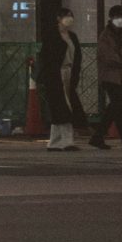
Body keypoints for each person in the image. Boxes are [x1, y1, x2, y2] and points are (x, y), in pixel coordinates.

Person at [37, 9, 85, 151]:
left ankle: (55, 142)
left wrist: (75, 74)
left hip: (69, 73)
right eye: (66, 16)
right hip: (55, 75)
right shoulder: (52, 36)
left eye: (71, 16)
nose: (69, 19)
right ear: (59, 18)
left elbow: (78, 57)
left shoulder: (73, 37)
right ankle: (66, 141)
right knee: (63, 107)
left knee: (62, 107)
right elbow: (47, 57)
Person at [91, 7, 122, 150]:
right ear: (110, 18)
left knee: (115, 108)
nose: (120, 20)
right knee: (117, 106)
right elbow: (110, 57)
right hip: (109, 76)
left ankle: (98, 136)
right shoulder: (105, 36)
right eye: (117, 17)